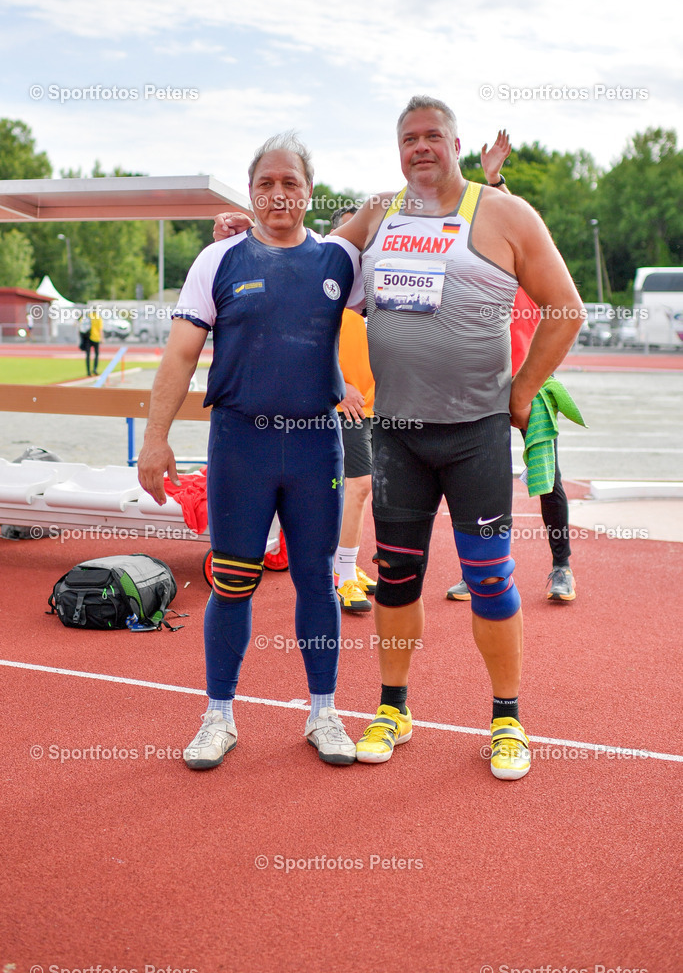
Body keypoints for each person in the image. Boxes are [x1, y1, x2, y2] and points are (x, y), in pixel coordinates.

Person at [214, 98, 584, 781]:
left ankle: (506, 719)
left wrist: (522, 390)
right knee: (396, 579)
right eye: (408, 138)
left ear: (453, 142)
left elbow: (566, 308)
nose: (420, 147)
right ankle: (392, 708)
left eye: (431, 137)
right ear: (397, 148)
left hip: (473, 433)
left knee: (490, 580)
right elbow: (309, 260)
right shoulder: (379, 210)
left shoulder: (503, 213)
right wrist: (251, 234)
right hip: (397, 437)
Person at [138, 133, 365, 770]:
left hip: (317, 445)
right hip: (240, 444)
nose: (277, 194)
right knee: (233, 582)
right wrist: (156, 440)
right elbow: (180, 357)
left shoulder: (340, 263)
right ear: (252, 191)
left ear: (309, 192)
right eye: (265, 183)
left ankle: (324, 712)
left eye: (289, 182)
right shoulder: (219, 261)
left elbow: (406, 259)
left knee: (317, 582)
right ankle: (219, 715)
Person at [446, 134, 577, 604]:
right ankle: (478, 570)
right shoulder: (484, 267)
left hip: (533, 383)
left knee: (549, 478)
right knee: (482, 482)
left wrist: (495, 179)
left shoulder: (535, 265)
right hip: (485, 383)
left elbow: (509, 213)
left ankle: (561, 568)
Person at [329, 205, 378, 613]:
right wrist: (339, 386)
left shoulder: (373, 285)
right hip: (345, 403)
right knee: (358, 487)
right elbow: (308, 342)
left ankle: (347, 565)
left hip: (372, 402)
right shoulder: (327, 284)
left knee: (360, 490)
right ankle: (342, 574)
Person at [80, 308, 103, 377]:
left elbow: (81, 325)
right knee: (96, 354)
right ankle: (95, 369)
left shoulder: (88, 317)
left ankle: (88, 371)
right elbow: (100, 329)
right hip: (96, 338)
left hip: (88, 337)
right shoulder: (98, 318)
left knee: (88, 355)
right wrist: (102, 338)